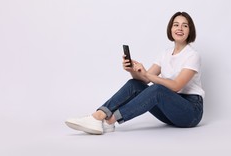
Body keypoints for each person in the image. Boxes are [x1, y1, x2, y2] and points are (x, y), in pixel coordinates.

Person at [65, 11, 204, 134]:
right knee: (135, 84)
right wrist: (132, 70)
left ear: (189, 30)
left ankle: (108, 121)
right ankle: (99, 115)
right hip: (169, 111)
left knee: (157, 89)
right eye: (176, 24)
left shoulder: (192, 55)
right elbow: (143, 81)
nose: (179, 28)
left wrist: (147, 75)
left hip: (190, 112)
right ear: (170, 28)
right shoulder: (165, 54)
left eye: (185, 25)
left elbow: (176, 86)